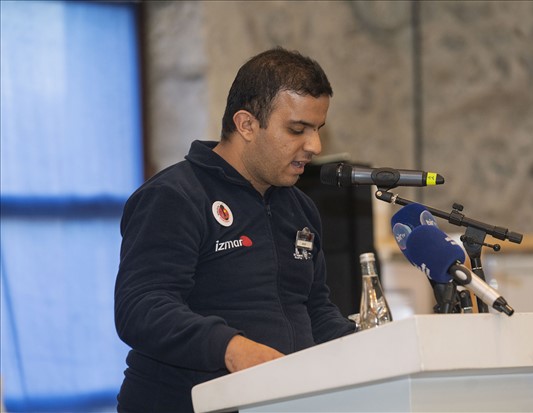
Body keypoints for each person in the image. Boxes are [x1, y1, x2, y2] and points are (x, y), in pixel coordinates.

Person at [114, 47, 356, 412]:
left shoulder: (300, 208)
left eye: (317, 130)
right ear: (246, 125)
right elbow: (141, 307)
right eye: (297, 130)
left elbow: (315, 310)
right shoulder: (175, 196)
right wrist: (232, 348)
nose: (315, 146)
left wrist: (367, 346)